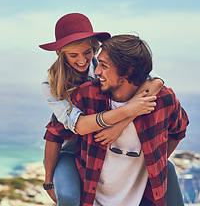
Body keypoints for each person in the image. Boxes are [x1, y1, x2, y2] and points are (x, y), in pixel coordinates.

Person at [40, 13, 169, 205]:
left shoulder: (106, 66)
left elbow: (155, 81)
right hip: (73, 144)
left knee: (167, 172)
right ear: (60, 53)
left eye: (88, 52)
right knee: (67, 197)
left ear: (94, 48)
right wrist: (48, 181)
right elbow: (71, 129)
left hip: (104, 141)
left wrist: (120, 124)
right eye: (73, 55)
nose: (83, 60)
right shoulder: (51, 85)